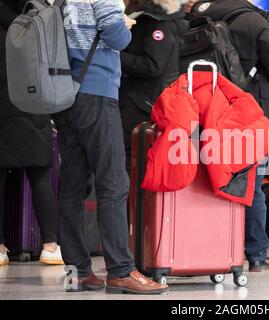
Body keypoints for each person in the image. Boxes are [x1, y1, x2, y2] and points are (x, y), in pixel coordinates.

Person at [53, 0, 167, 294]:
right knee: (113, 183)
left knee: (72, 186)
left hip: (66, 95)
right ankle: (120, 271)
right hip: (97, 93)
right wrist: (125, 25)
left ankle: (77, 271)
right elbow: (117, 37)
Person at [189, 0, 269, 272]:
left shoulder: (195, 19)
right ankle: (255, 254)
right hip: (246, 110)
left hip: (206, 110)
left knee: (211, 180)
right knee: (250, 182)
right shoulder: (252, 21)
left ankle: (212, 248)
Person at [0, 0, 63, 267]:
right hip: (35, 102)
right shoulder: (41, 17)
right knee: (40, 175)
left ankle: (0, 248)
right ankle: (50, 245)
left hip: (3, 103)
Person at [120, 0, 189, 174]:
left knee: (132, 160)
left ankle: (134, 201)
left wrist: (117, 57)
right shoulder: (152, 19)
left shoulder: (159, 23)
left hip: (143, 103)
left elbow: (153, 66)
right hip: (143, 102)